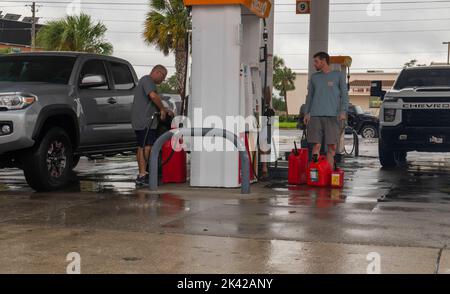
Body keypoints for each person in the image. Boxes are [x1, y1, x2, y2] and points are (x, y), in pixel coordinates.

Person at [304, 52, 349, 167]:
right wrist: (306, 113)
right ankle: (315, 172)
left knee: (332, 146)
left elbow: (344, 95)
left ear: (323, 61)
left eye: (316, 61)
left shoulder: (338, 76)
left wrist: (343, 111)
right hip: (315, 116)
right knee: (316, 145)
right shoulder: (314, 77)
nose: (314, 64)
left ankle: (328, 172)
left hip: (333, 116)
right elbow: (309, 97)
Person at [131, 65, 173, 186]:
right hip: (144, 120)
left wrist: (164, 109)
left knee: (141, 146)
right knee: (146, 146)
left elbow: (153, 100)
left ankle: (142, 175)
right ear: (157, 72)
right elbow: (153, 96)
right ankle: (143, 175)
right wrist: (162, 110)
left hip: (142, 120)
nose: (163, 80)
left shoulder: (146, 82)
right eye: (163, 76)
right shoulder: (147, 80)